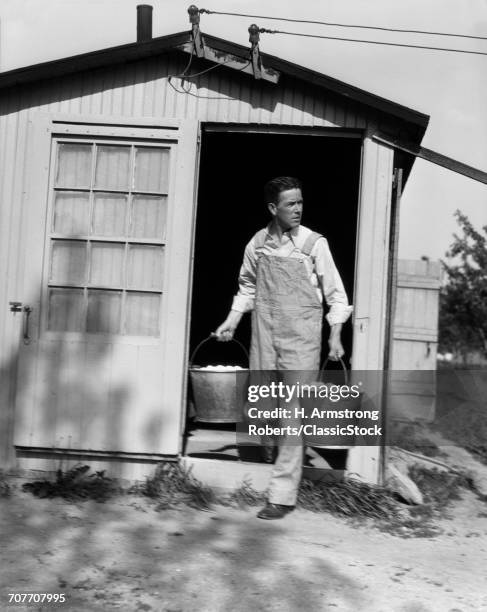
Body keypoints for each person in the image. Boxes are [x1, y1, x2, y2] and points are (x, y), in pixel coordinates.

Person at [215, 176, 352, 520]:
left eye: (301, 202)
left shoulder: (313, 244)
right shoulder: (257, 244)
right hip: (264, 334)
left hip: (301, 339)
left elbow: (336, 296)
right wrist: (232, 321)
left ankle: (281, 495)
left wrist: (335, 335)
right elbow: (246, 287)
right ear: (273, 208)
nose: (298, 209)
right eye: (291, 203)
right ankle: (271, 458)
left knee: (293, 413)